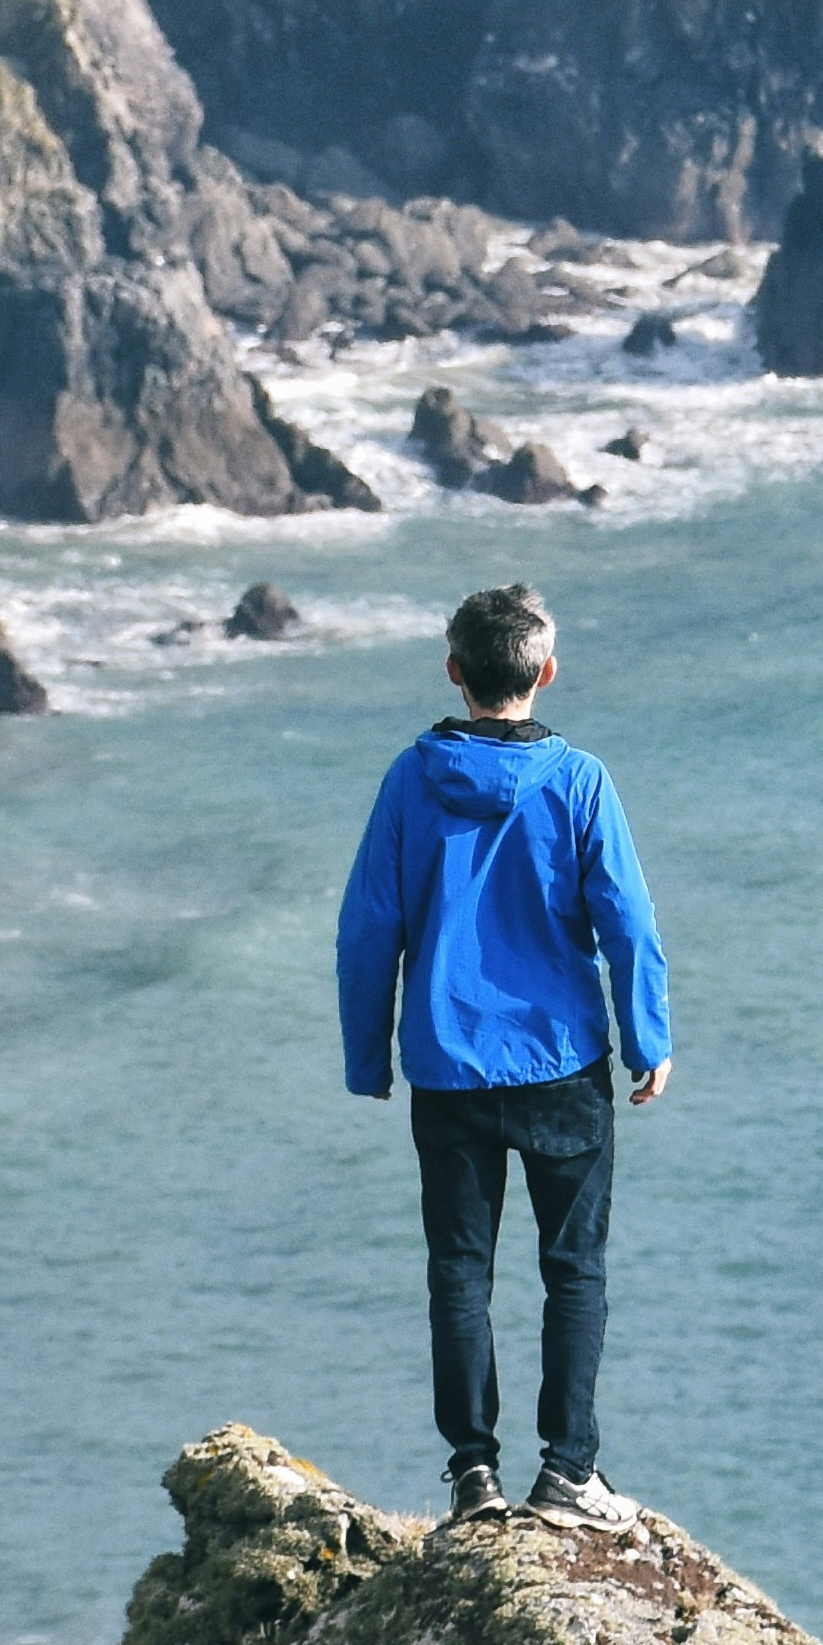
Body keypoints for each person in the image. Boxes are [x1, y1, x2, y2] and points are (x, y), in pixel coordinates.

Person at [335, 579, 671, 1530]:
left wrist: (369, 1055)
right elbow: (628, 924)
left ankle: (472, 1476)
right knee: (573, 1271)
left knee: (458, 1272)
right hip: (562, 1062)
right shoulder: (577, 780)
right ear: (546, 673)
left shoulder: (410, 777)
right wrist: (649, 1037)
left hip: (445, 1065)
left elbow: (367, 929)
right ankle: (567, 1472)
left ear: (454, 672)